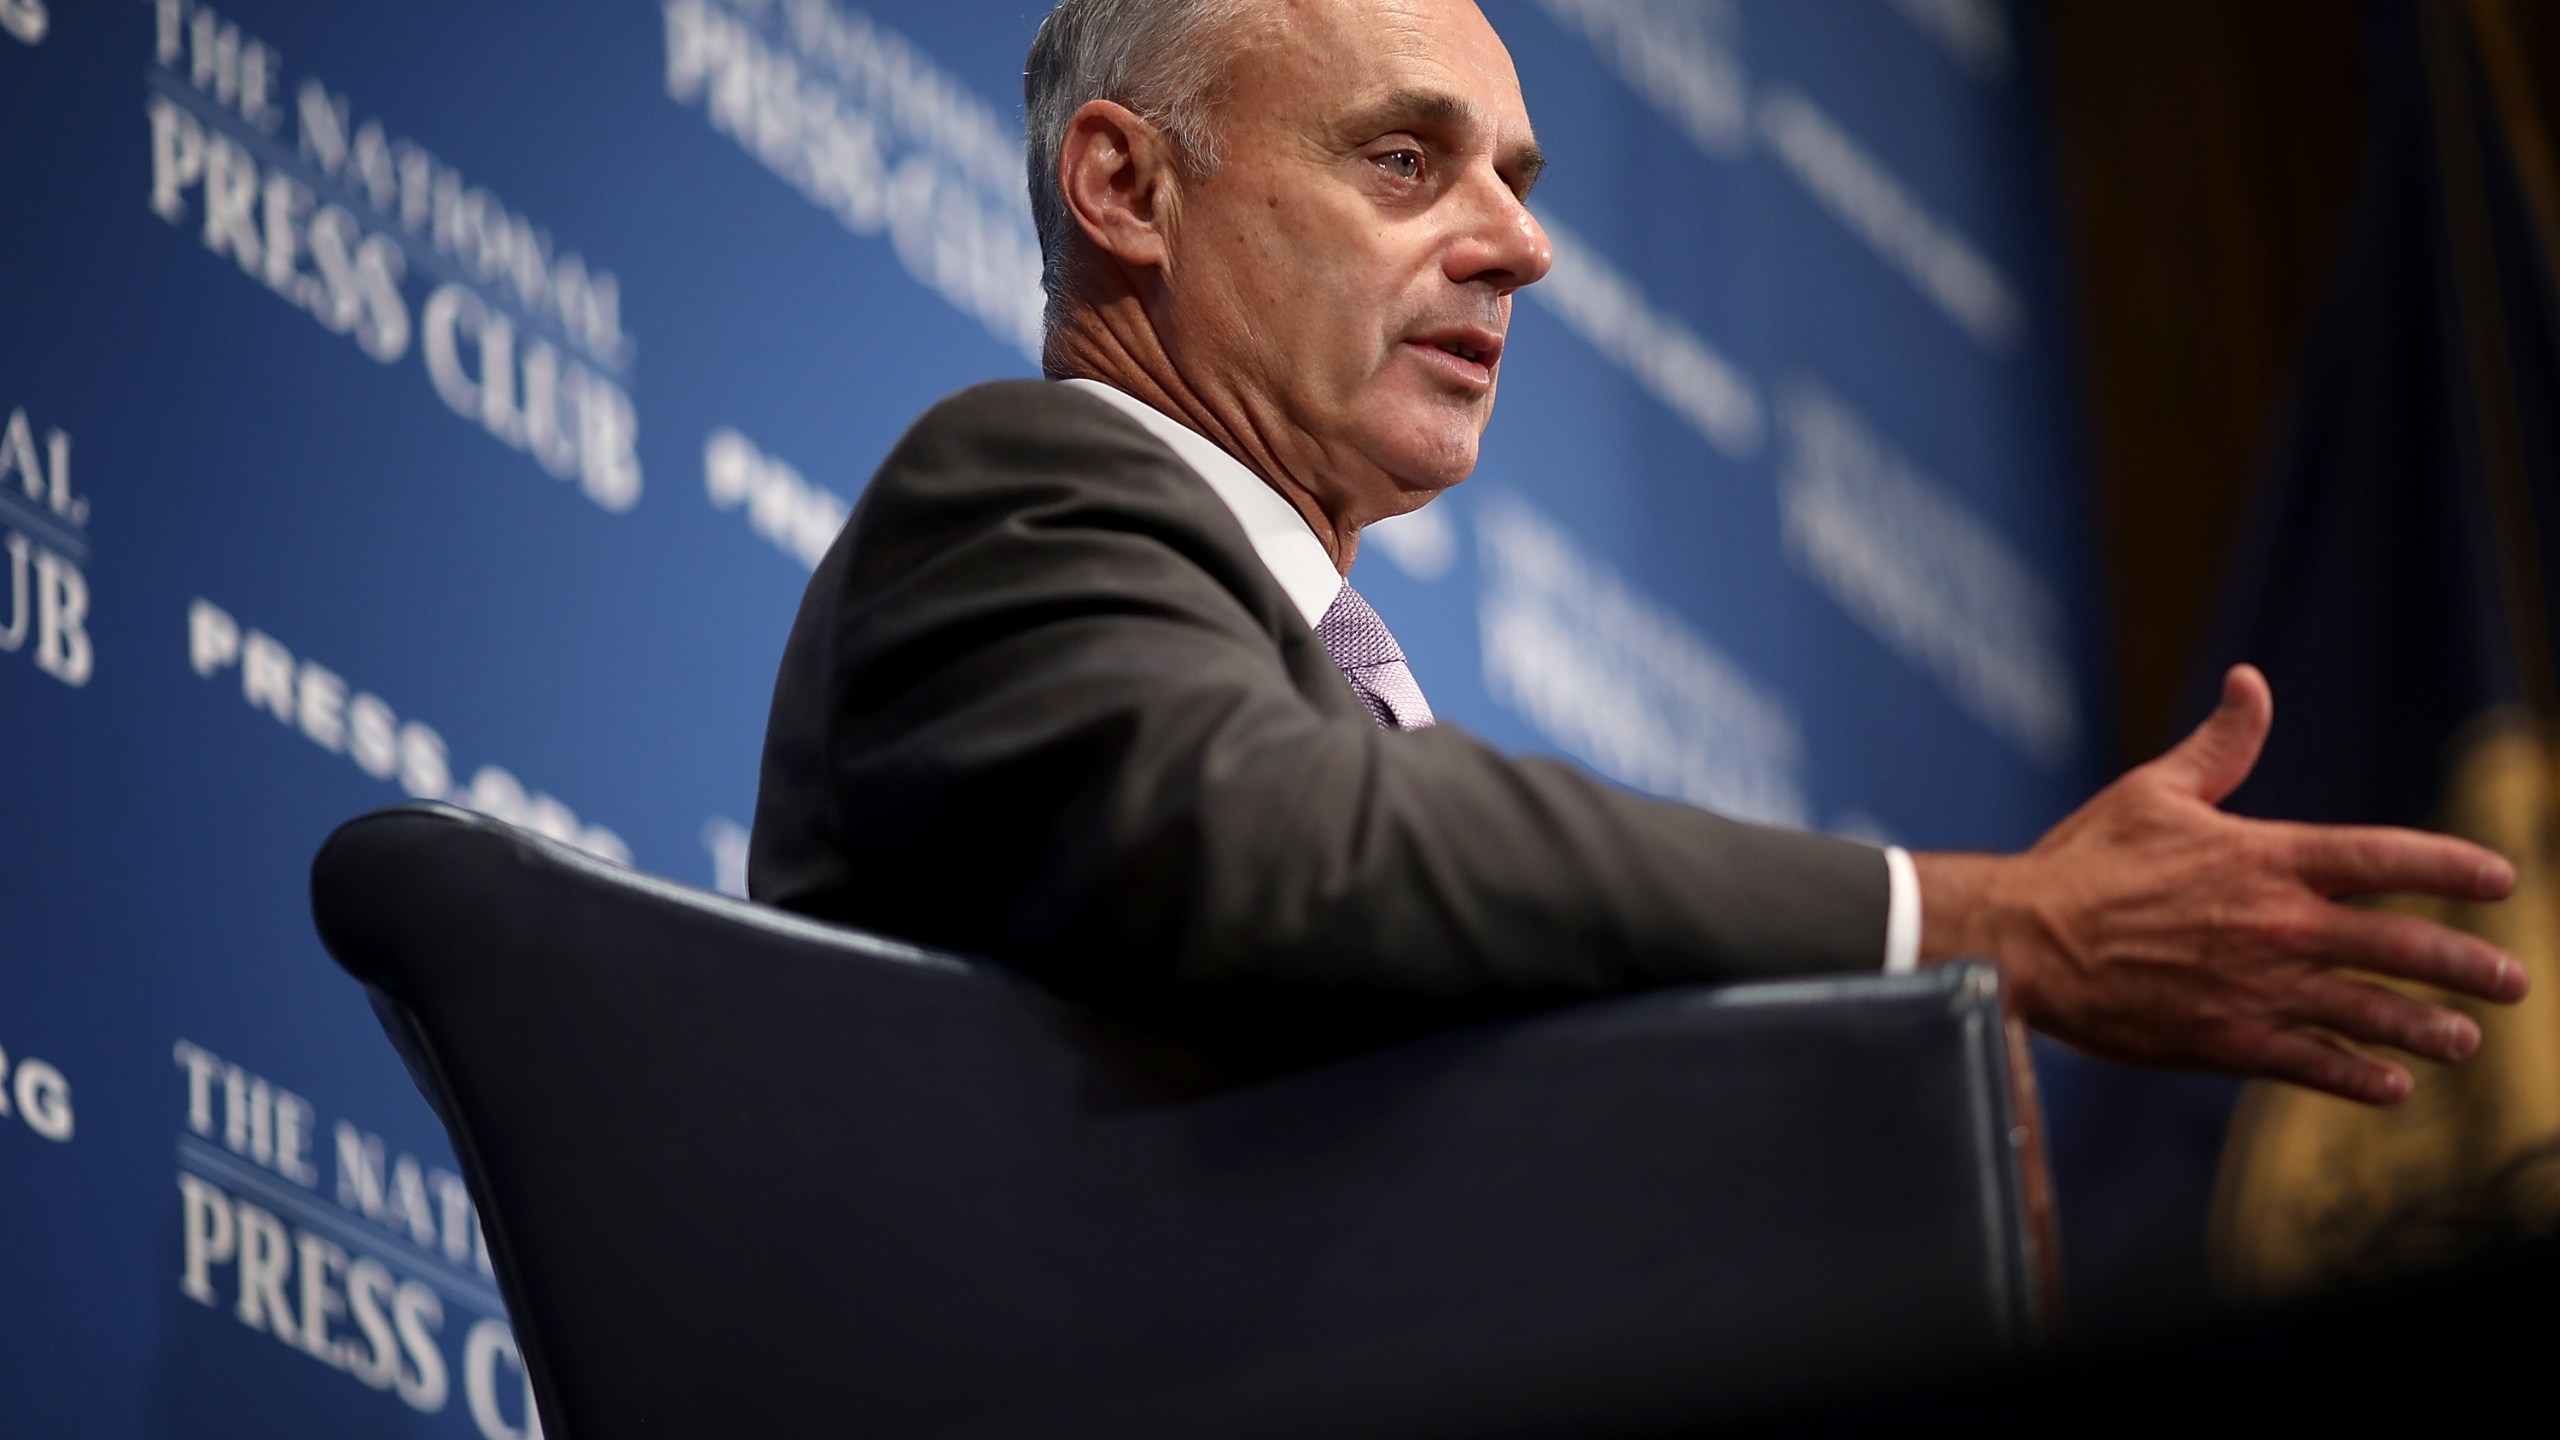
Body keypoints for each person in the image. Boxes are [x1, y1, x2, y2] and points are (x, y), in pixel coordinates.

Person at [751, 0, 2525, 1095]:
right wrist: (1981, 925)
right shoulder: (1010, 493)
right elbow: (1307, 850)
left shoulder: (1296, 658)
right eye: (1402, 160)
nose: (1519, 250)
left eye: (1517, 179)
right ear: (1126, 190)